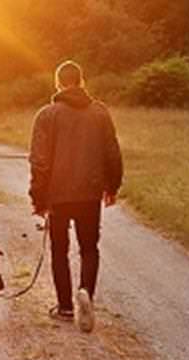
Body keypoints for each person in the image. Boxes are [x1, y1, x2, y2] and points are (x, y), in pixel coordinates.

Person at [28, 60, 123, 322]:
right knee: (89, 248)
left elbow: (39, 161)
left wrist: (38, 199)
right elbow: (112, 153)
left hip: (58, 196)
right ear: (82, 82)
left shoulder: (47, 115)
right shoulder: (100, 113)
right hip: (90, 194)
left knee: (60, 250)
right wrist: (112, 186)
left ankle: (66, 308)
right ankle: (86, 294)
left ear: (58, 83)